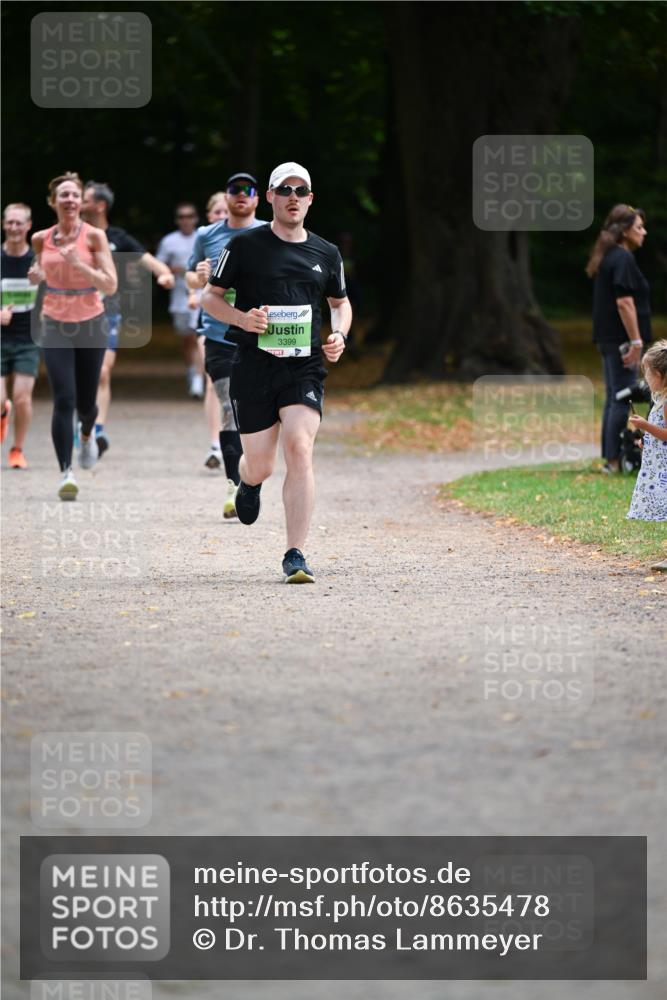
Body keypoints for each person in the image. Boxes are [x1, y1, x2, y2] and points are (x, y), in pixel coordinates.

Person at [203, 162, 352, 581]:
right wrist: (241, 318)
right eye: (284, 189)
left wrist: (339, 334)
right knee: (261, 465)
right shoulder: (245, 245)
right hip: (253, 366)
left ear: (310, 199)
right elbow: (209, 300)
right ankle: (248, 483)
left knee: (300, 448)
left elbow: (340, 304)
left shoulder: (326, 252)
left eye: (300, 190)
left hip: (303, 367)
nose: (292, 196)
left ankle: (295, 553)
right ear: (269, 197)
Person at [30, 172, 116, 500]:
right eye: (63, 195)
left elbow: (110, 285)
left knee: (86, 402)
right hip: (54, 322)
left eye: (75, 195)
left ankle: (87, 432)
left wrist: (78, 263)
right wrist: (37, 275)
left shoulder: (94, 237)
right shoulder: (41, 238)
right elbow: (40, 273)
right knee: (63, 397)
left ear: (81, 203)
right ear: (53, 202)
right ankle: (66, 472)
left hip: (91, 321)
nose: (69, 200)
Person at [187, 173, 267, 514]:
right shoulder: (207, 235)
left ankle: (252, 476)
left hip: (261, 336)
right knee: (230, 405)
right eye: (234, 190)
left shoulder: (268, 232)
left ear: (257, 198)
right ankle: (236, 486)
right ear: (226, 195)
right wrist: (201, 276)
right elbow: (191, 277)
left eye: (248, 190)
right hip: (219, 335)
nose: (241, 196)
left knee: (257, 411)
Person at [81, 181, 175, 456]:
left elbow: (148, 259)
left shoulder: (118, 237)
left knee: (102, 371)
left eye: (84, 198)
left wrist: (163, 273)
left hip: (107, 312)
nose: (78, 203)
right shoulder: (75, 235)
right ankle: (81, 422)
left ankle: (96, 429)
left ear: (100, 205)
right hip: (73, 312)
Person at [587, 204, 652, 473]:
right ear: (625, 231)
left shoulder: (609, 256)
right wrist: (636, 341)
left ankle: (611, 459)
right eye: (638, 227)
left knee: (613, 397)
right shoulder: (623, 259)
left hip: (608, 339)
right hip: (622, 341)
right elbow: (624, 302)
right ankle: (614, 462)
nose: (644, 232)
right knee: (622, 397)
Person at [186, 189, 236, 474]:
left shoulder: (247, 239)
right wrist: (198, 282)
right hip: (212, 325)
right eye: (216, 212)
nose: (221, 216)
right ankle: (215, 444)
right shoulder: (206, 238)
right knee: (212, 384)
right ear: (209, 216)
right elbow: (191, 277)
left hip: (245, 325)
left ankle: (239, 439)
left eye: (224, 212)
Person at [1, 203, 40, 468]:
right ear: (4, 225)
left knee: (23, 397)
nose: (14, 228)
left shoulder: (38, 261)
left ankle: (17, 449)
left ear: (28, 226)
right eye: (9, 222)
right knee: (2, 400)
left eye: (19, 223)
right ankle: (3, 412)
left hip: (29, 339)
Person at [156, 202, 202, 398]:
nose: (186, 220)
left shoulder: (203, 236)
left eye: (189, 216)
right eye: (182, 216)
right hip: (179, 298)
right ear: (177, 220)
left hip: (201, 295)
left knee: (199, 337)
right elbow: (159, 266)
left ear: (196, 218)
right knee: (187, 338)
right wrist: (177, 270)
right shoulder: (169, 241)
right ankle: (192, 369)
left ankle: (198, 379)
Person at [626, 340, 667, 537]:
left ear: (659, 375)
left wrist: (645, 426)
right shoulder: (660, 400)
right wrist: (647, 440)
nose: (646, 378)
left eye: (647, 373)